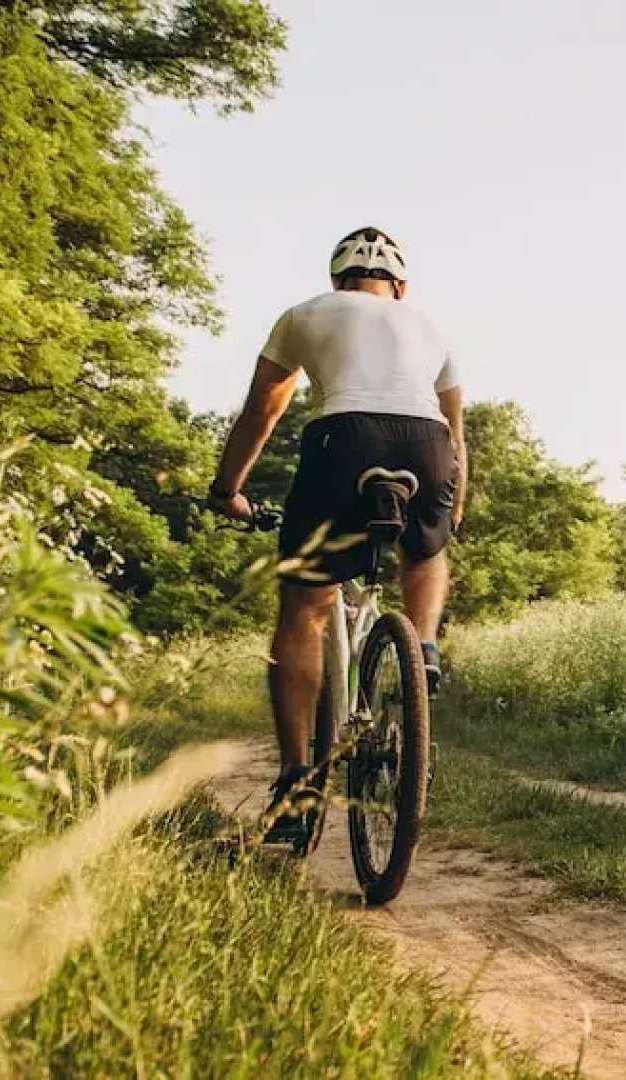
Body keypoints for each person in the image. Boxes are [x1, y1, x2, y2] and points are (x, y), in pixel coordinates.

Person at [207, 226, 465, 838]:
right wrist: (448, 515)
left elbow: (263, 409)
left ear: (336, 280)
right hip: (427, 447)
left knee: (304, 609)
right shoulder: (431, 328)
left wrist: (227, 490)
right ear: (400, 286)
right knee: (425, 553)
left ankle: (297, 784)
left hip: (342, 439)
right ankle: (424, 646)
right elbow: (456, 434)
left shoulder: (305, 314)